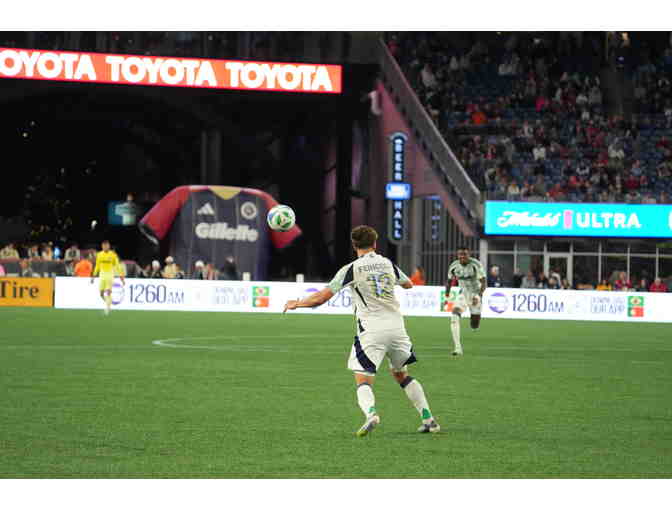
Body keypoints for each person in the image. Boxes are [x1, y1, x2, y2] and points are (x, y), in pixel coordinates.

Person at [283, 225, 440, 437]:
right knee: (402, 374)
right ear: (374, 243)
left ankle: (371, 414)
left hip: (372, 331)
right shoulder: (387, 263)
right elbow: (408, 284)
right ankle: (428, 419)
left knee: (363, 379)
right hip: (397, 329)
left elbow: (321, 298)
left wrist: (298, 303)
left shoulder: (352, 269)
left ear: (354, 245)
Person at [446, 246, 486, 356]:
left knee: (474, 324)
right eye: (460, 254)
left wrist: (478, 295)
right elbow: (449, 281)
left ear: (469, 255)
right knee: (454, 315)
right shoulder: (454, 266)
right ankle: (457, 348)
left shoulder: (475, 264)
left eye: (465, 254)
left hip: (475, 295)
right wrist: (447, 294)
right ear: (458, 255)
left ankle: (474, 325)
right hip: (463, 294)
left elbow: (483, 282)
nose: (462, 256)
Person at [90, 240, 125, 315]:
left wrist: (121, 277)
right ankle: (108, 302)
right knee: (101, 294)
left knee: (108, 292)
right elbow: (97, 266)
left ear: (109, 246)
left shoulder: (113, 255)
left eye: (106, 245)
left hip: (110, 274)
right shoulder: (99, 255)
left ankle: (107, 309)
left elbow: (118, 266)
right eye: (104, 246)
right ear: (102, 246)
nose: (105, 247)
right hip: (102, 275)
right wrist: (93, 276)